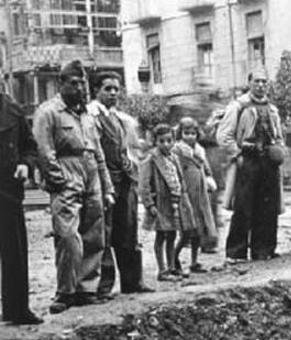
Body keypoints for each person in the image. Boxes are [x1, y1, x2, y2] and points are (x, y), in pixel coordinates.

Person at [33, 60, 115, 314]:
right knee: (68, 237)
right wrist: (59, 180)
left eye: (82, 83)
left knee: (94, 232)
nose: (80, 88)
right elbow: (44, 151)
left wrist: (107, 186)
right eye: (74, 83)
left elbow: (98, 152)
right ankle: (65, 291)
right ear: (62, 84)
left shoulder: (86, 115)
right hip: (67, 173)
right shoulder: (49, 112)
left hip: (91, 173)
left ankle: (86, 288)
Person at [87, 71, 153, 300]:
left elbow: (131, 147)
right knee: (104, 233)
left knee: (129, 229)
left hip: (125, 179)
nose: (113, 93)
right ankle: (103, 286)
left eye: (116, 89)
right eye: (108, 88)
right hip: (105, 181)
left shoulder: (120, 118)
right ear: (96, 91)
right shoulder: (91, 116)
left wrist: (130, 160)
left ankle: (132, 281)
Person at [216, 67, 285, 262]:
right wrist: (237, 154)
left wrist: (278, 151)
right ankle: (236, 252)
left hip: (269, 163)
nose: (261, 85)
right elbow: (223, 136)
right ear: (249, 83)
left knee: (268, 207)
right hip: (248, 160)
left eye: (264, 82)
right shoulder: (238, 106)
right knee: (244, 207)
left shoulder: (272, 109)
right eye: (257, 81)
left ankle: (264, 250)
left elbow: (279, 136)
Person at [0, 92, 43, 325]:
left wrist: (25, 164)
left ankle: (17, 310)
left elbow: (29, 145)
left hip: (7, 188)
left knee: (14, 251)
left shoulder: (12, 108)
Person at [140, 124, 195, 281]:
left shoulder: (173, 157)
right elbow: (144, 185)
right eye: (161, 141)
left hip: (174, 202)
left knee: (172, 234)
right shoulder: (151, 159)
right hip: (160, 203)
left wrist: (183, 199)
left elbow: (179, 179)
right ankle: (162, 270)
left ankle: (171, 267)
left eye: (169, 140)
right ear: (155, 142)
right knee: (161, 235)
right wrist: (149, 204)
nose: (166, 144)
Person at [172, 117, 218, 275]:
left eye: (193, 133)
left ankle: (194, 261)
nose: (190, 136)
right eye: (186, 133)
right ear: (180, 134)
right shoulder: (177, 150)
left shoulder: (200, 150)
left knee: (199, 228)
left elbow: (206, 167)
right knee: (187, 230)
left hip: (200, 191)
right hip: (186, 191)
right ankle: (173, 259)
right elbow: (174, 170)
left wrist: (209, 178)